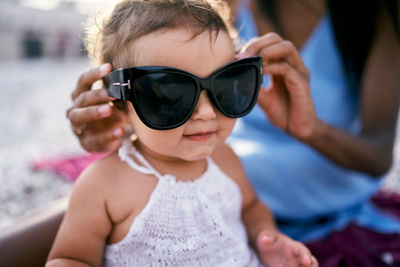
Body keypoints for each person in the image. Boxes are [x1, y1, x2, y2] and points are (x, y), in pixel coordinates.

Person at [67, 0, 400, 265]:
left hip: (330, 165)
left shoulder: (225, 159)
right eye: (170, 92)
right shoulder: (103, 183)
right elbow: (70, 257)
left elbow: (251, 207)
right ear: (119, 105)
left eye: (228, 82)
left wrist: (267, 237)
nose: (208, 111)